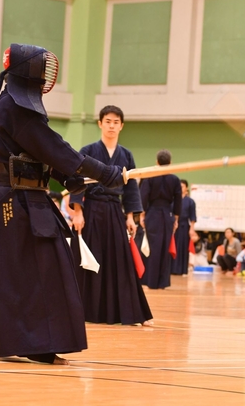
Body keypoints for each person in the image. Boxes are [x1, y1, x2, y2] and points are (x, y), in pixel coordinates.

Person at [0, 43, 124, 365]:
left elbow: (37, 154)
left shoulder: (15, 107)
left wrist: (67, 178)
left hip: (28, 199)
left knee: (7, 269)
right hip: (16, 202)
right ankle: (34, 344)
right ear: (27, 71)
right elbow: (54, 147)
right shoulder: (14, 108)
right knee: (34, 269)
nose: (47, 75)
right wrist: (104, 172)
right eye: (42, 68)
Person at [70, 105, 153, 326]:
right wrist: (77, 211)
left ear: (121, 126)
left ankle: (130, 313)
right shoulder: (88, 150)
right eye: (107, 121)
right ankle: (82, 310)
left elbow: (131, 188)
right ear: (100, 123)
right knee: (89, 260)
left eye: (116, 122)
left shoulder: (126, 155)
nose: (111, 126)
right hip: (92, 210)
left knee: (121, 262)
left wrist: (130, 216)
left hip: (115, 210)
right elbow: (77, 181)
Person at [139, 150, 182, 289]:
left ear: (157, 162)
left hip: (152, 214)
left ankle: (151, 281)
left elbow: (143, 196)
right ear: (170, 162)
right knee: (164, 247)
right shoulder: (175, 180)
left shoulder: (150, 177)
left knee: (153, 247)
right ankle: (162, 282)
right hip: (167, 215)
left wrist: (142, 215)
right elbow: (178, 200)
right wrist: (176, 218)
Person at [171, 179, 197, 275]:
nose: (180, 188)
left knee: (182, 247)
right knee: (173, 246)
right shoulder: (173, 200)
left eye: (182, 186)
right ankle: (172, 269)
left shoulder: (190, 201)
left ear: (186, 188)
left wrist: (192, 229)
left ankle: (182, 270)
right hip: (173, 225)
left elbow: (193, 217)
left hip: (184, 226)